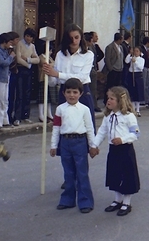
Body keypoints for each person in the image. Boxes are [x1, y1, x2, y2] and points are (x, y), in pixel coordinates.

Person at [92, 86, 141, 217]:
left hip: (125, 150)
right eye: (108, 98)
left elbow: (136, 134)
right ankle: (117, 199)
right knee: (115, 174)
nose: (108, 101)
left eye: (111, 98)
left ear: (120, 101)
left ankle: (127, 201)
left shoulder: (128, 116)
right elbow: (102, 132)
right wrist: (94, 145)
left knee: (126, 175)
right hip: (113, 150)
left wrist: (123, 139)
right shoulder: (108, 116)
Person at [50, 78, 97, 214]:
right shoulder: (60, 109)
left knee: (82, 173)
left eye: (75, 92)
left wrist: (92, 146)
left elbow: (90, 128)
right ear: (64, 93)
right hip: (65, 142)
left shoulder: (84, 109)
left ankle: (85, 201)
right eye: (69, 92)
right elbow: (56, 128)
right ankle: (67, 200)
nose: (71, 95)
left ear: (80, 94)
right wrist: (54, 145)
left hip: (80, 142)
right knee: (68, 172)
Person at [43, 24, 96, 129]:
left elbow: (82, 77)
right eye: (70, 38)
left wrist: (57, 74)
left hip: (82, 92)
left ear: (81, 38)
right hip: (64, 92)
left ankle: (90, 144)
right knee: (64, 123)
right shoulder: (60, 55)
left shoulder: (88, 55)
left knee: (86, 123)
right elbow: (54, 81)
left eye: (76, 37)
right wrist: (49, 73)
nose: (74, 41)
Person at [13, 28, 39, 126]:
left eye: (31, 37)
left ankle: (26, 116)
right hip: (21, 70)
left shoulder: (32, 46)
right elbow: (19, 59)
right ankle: (17, 117)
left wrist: (28, 60)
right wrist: (28, 65)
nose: (28, 38)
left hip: (28, 71)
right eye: (27, 36)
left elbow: (37, 59)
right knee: (20, 94)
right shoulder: (20, 44)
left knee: (27, 94)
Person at [0, 32, 16, 128]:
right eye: (9, 42)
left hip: (6, 77)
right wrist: (11, 56)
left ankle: (5, 121)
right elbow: (3, 63)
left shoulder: (5, 50)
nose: (10, 44)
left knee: (5, 100)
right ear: (4, 42)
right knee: (0, 100)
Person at [102, 33, 124, 106]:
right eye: (122, 39)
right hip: (113, 69)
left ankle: (116, 100)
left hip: (119, 69)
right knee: (110, 86)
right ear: (119, 39)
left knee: (117, 86)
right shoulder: (110, 47)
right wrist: (110, 68)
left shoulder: (120, 47)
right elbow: (107, 59)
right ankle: (106, 100)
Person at [37, 43, 56, 122]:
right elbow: (46, 65)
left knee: (49, 98)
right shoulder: (41, 57)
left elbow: (54, 64)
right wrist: (52, 65)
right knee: (42, 98)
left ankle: (49, 114)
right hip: (43, 79)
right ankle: (41, 114)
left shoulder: (50, 58)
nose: (51, 52)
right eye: (50, 50)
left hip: (50, 79)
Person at [125, 47, 145, 117]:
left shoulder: (141, 59)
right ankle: (133, 109)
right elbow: (126, 61)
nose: (135, 52)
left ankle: (138, 110)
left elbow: (141, 67)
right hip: (131, 74)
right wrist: (129, 54)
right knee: (132, 92)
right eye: (134, 51)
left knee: (138, 92)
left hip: (138, 75)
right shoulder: (131, 57)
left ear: (140, 52)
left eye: (137, 51)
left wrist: (135, 62)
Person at [6, 31, 20, 124]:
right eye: (16, 39)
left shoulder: (13, 49)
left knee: (13, 96)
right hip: (10, 74)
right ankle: (8, 116)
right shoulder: (9, 51)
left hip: (14, 73)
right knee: (9, 97)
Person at [140, 36, 149, 104]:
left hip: (147, 67)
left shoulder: (147, 50)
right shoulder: (142, 49)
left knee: (147, 84)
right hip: (144, 67)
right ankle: (143, 99)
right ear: (147, 42)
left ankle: (147, 98)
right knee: (144, 84)